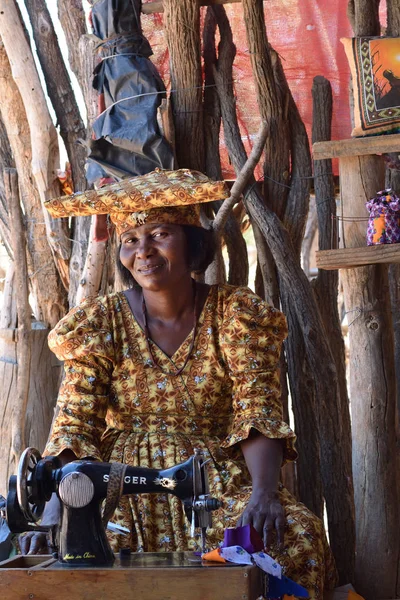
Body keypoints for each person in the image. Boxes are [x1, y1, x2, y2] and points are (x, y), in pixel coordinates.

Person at [20, 169, 337, 599]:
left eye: (159, 234)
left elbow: (257, 406)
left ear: (191, 241)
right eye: (130, 240)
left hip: (214, 480)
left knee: (296, 538)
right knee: (78, 554)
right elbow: (75, 423)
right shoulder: (101, 323)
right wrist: (58, 511)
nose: (143, 251)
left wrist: (264, 493)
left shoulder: (233, 314)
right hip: (119, 484)